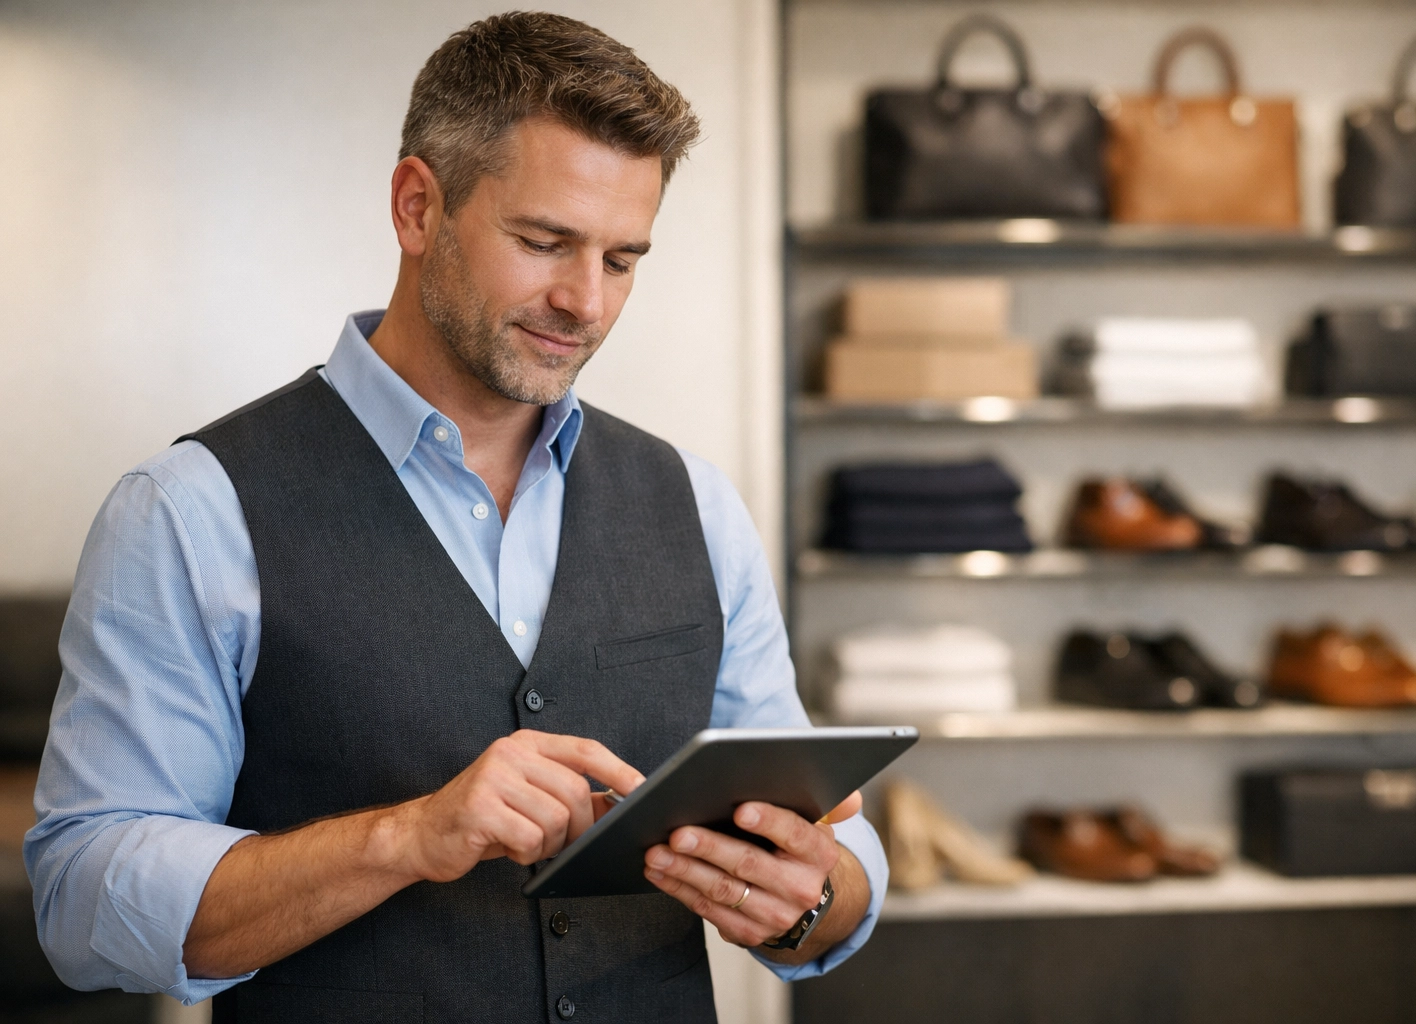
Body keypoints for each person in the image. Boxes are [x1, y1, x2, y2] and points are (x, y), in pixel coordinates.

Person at [24, 12, 887, 1022]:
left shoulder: (697, 506)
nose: (585, 303)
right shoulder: (189, 510)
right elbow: (81, 898)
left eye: (622, 260)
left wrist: (812, 895)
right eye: (544, 241)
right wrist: (405, 837)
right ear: (417, 205)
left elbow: (836, 846)